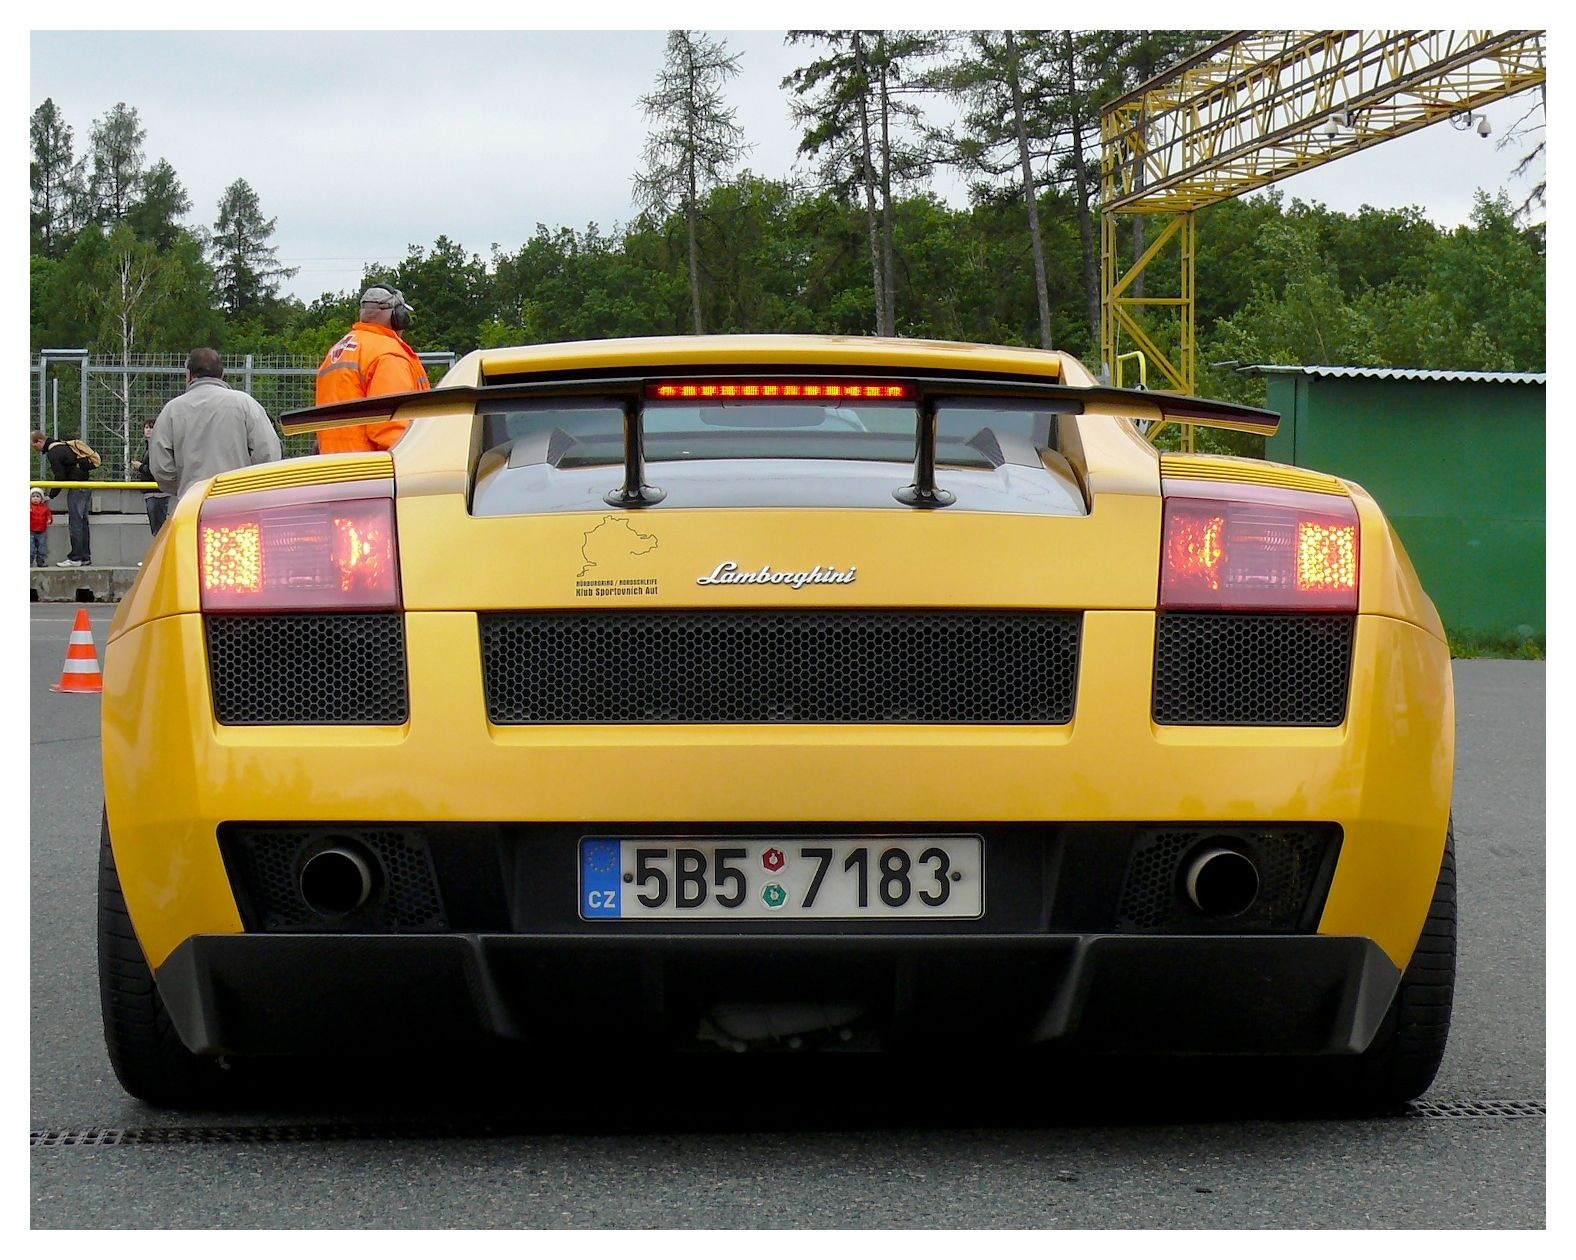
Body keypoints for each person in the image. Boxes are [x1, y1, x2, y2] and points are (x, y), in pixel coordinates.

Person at [148, 347, 282, 505]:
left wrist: (182, 487)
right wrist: (251, 487)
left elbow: (160, 467)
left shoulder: (172, 410)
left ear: (189, 375)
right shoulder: (245, 404)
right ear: (222, 374)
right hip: (239, 502)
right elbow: (268, 454)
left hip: (192, 504)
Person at [314, 283, 431, 453]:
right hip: (373, 472)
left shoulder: (336, 352)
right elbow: (391, 429)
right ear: (398, 317)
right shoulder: (388, 355)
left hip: (335, 470)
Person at [31, 430, 92, 566]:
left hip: (77, 487)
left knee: (76, 523)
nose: (34, 449)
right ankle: (85, 557)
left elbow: (60, 477)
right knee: (83, 523)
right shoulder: (62, 445)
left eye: (34, 446)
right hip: (86, 485)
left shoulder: (54, 453)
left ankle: (76, 558)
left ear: (40, 441)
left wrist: (50, 495)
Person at [128, 420, 172, 535]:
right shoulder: (149, 447)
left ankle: (162, 551)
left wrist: (140, 467)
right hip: (152, 491)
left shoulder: (158, 447)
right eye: (146, 427)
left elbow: (157, 469)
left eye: (151, 427)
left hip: (157, 492)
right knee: (157, 528)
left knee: (159, 529)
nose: (148, 430)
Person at [30, 488, 53, 567]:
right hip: (30, 531)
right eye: (33, 496)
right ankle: (29, 562)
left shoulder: (45, 508)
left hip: (42, 531)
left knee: (42, 548)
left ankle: (41, 562)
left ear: (41, 499)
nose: (35, 498)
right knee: (30, 548)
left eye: (37, 496)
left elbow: (49, 516)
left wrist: (49, 520)